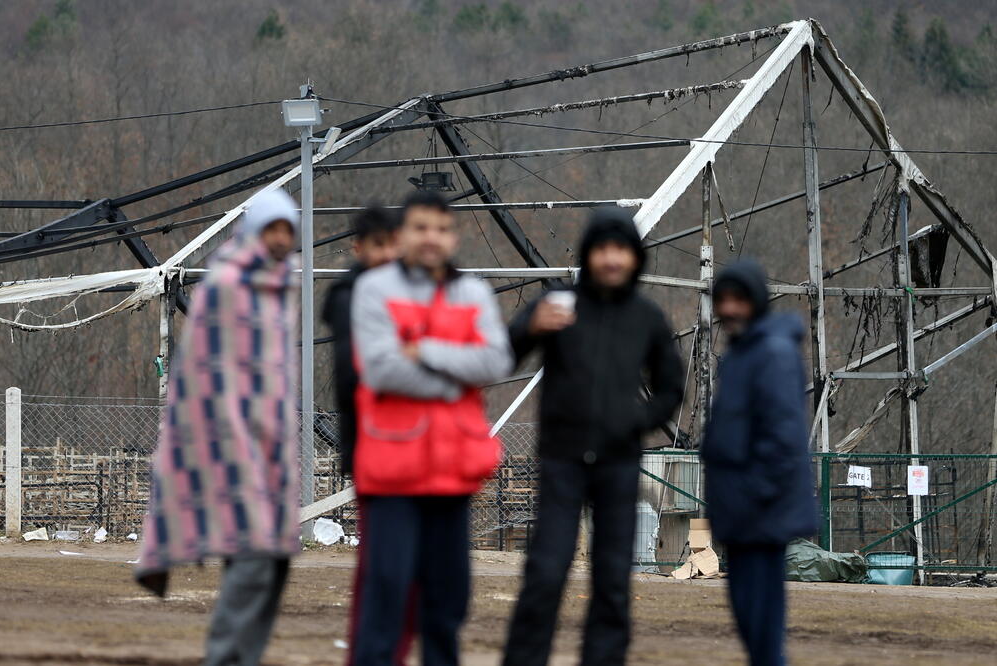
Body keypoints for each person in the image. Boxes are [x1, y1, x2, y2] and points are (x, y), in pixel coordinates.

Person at [502, 207, 684, 666]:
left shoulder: (646, 317)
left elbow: (671, 388)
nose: (611, 260)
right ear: (589, 254)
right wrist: (530, 326)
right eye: (602, 249)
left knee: (612, 580)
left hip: (618, 464)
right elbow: (505, 354)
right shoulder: (559, 304)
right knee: (545, 571)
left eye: (620, 250)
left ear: (634, 257)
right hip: (561, 459)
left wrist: (634, 420)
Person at [135, 188, 302, 666]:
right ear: (254, 231)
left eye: (287, 230)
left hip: (268, 450)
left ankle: (239, 657)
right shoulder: (228, 285)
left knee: (273, 563)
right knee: (254, 560)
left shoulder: (277, 288)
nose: (278, 239)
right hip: (230, 447)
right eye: (271, 228)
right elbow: (207, 374)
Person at [349, 190, 513, 666]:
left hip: (452, 472)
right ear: (402, 236)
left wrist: (426, 352)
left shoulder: (474, 292)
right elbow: (381, 369)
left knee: (448, 605)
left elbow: (496, 360)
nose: (431, 239)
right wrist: (453, 384)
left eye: (441, 229)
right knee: (388, 596)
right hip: (392, 472)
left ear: (453, 237)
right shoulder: (375, 290)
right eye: (420, 228)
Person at [700, 259, 818, 666]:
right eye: (723, 300)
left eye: (739, 300)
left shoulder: (772, 353)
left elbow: (783, 436)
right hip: (741, 510)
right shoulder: (742, 354)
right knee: (749, 616)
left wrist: (755, 494)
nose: (729, 309)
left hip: (759, 512)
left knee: (760, 618)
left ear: (757, 302)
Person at [319, 206, 413, 666]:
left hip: (412, 447)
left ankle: (388, 651)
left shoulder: (410, 291)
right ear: (359, 248)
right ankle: (370, 654)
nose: (386, 254)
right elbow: (356, 378)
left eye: (391, 244)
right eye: (377, 245)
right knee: (381, 566)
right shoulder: (349, 297)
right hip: (373, 448)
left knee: (407, 568)